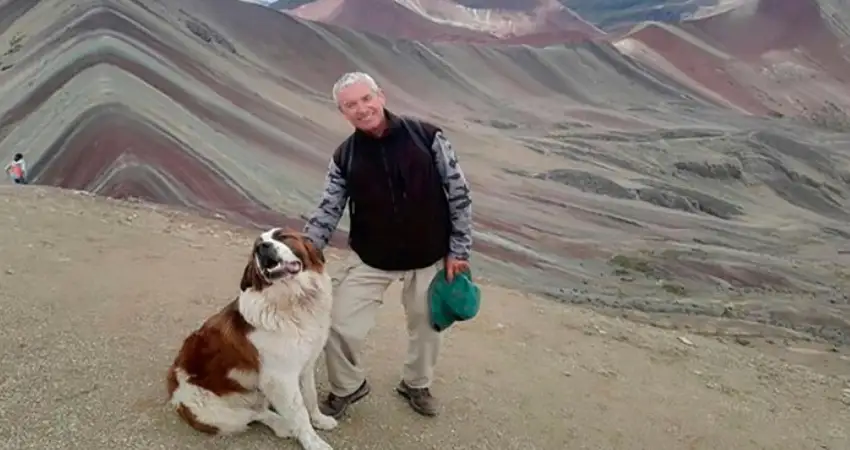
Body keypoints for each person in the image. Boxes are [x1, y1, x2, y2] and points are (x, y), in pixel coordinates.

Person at [303, 71, 473, 419]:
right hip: (372, 258)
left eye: (366, 99)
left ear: (381, 96)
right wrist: (304, 252)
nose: (362, 109)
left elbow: (459, 193)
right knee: (336, 322)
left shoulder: (427, 137)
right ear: (343, 113)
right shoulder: (344, 157)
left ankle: (416, 383)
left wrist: (459, 250)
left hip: (428, 255)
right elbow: (328, 210)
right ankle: (348, 387)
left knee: (429, 325)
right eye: (351, 105)